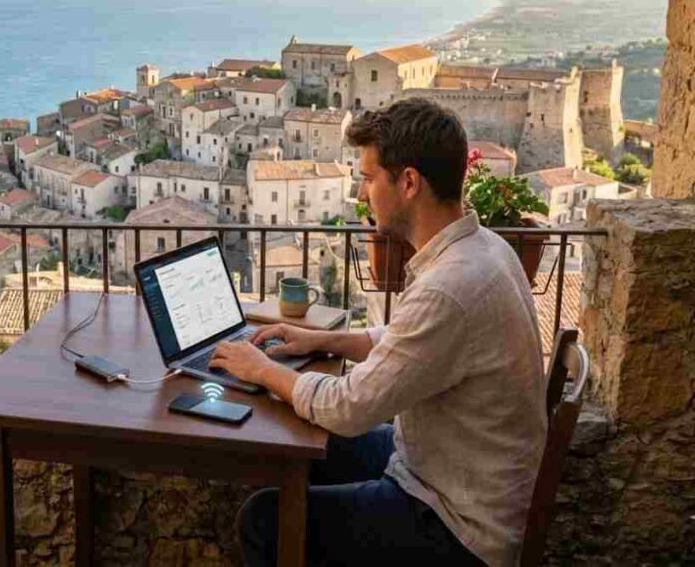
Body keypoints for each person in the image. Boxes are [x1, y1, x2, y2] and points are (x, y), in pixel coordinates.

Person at [211, 98, 546, 566]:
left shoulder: (452, 287)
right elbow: (405, 338)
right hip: (446, 472)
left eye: (368, 178)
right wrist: (322, 340)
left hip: (455, 525)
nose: (362, 193)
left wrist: (262, 370)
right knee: (306, 440)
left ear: (408, 182)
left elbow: (349, 407)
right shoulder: (482, 249)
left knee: (264, 520)